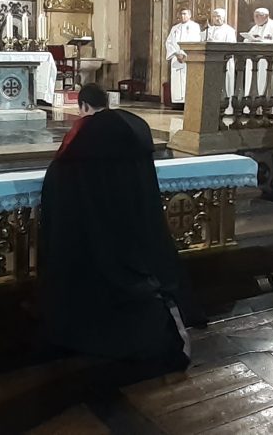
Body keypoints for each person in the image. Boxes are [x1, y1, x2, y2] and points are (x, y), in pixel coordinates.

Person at [39, 84, 200, 372]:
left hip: (101, 228)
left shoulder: (84, 134)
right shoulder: (135, 124)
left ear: (84, 107)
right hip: (137, 221)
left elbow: (59, 177)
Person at [164, 8, 201, 107]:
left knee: (186, 80)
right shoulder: (175, 28)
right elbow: (169, 42)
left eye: (185, 14)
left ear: (189, 15)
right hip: (177, 58)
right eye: (181, 14)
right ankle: (177, 103)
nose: (182, 16)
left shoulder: (195, 27)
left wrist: (185, 54)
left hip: (188, 58)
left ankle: (188, 103)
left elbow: (196, 41)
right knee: (177, 81)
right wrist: (176, 53)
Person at [204, 8, 237, 101]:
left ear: (224, 17)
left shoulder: (229, 30)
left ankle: (227, 107)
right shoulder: (209, 30)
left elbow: (231, 46)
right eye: (214, 16)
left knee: (225, 83)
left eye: (218, 16)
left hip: (225, 61)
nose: (216, 18)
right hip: (211, 62)